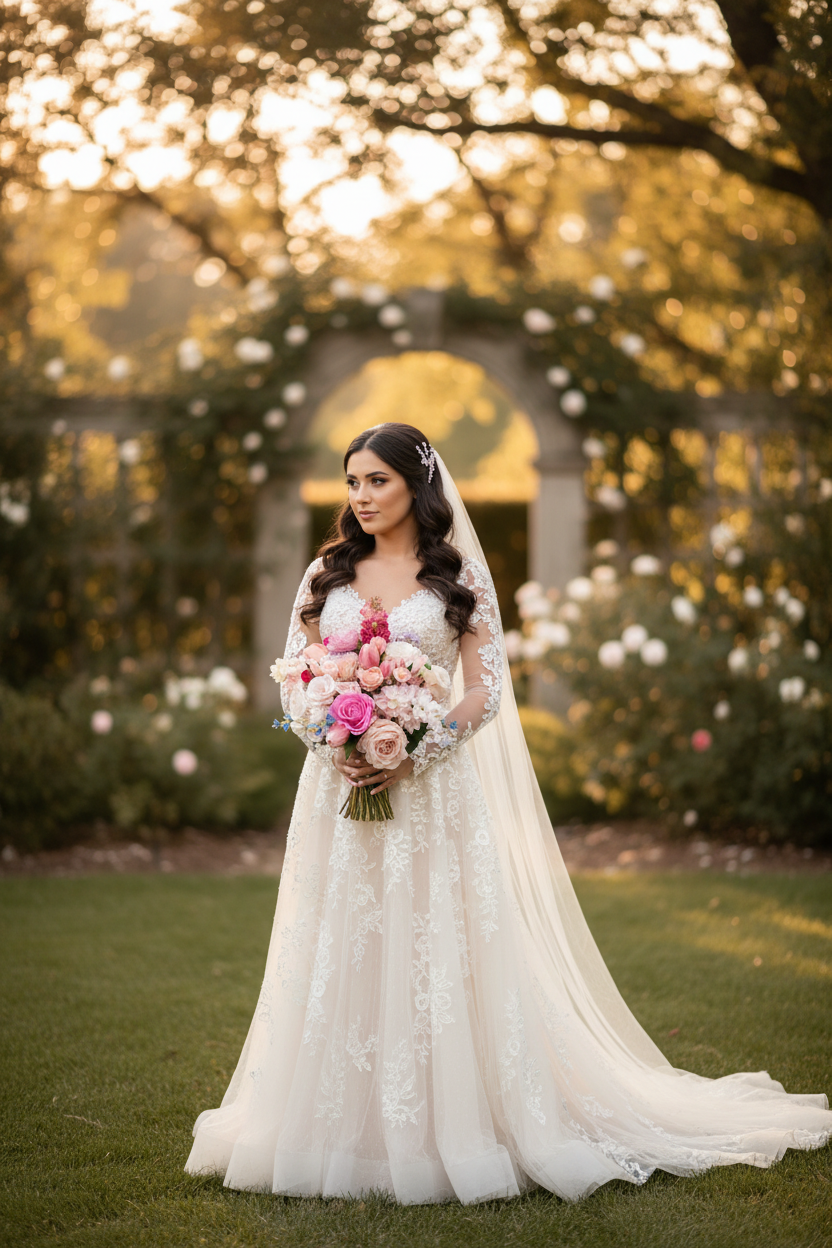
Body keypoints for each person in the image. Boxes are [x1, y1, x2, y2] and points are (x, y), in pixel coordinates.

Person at [185, 421, 830, 1204]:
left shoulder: (453, 577)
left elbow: (486, 690)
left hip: (430, 789)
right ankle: (336, 1127)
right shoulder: (328, 572)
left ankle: (458, 1121)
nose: (360, 496)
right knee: (344, 941)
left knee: (437, 944)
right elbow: (296, 673)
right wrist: (334, 741)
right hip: (338, 790)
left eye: (377, 481)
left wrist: (414, 747)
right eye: (352, 481)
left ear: (415, 485)